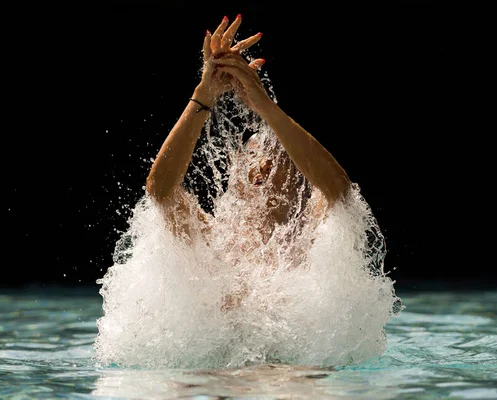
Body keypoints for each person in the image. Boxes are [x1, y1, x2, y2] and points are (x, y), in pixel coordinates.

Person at [145, 14, 354, 309]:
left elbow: (340, 192)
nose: (261, 166)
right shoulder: (211, 236)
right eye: (251, 155)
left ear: (302, 175)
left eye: (273, 156)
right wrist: (203, 95)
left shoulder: (313, 234)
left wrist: (263, 106)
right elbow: (159, 191)